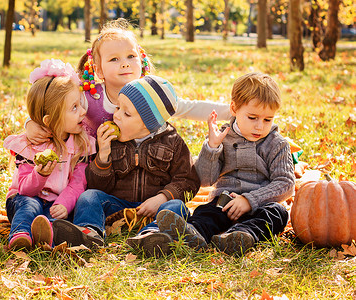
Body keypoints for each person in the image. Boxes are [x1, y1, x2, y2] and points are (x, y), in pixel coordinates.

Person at [51, 75, 200, 257]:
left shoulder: (173, 143)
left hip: (155, 208)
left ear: (149, 125)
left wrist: (162, 198)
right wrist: (103, 156)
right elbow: (98, 186)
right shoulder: (112, 141)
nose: (117, 115)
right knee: (89, 196)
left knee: (177, 206)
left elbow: (188, 181)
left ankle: (152, 235)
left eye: (126, 113)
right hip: (119, 207)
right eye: (118, 108)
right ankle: (89, 232)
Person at [25, 18, 231, 144]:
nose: (125, 64)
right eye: (114, 59)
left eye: (131, 56)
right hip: (94, 169)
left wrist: (232, 111)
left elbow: (188, 108)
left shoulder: (150, 94)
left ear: (141, 59)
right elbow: (55, 110)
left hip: (139, 170)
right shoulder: (89, 96)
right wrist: (30, 124)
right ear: (98, 69)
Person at [157, 72, 295, 255]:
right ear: (234, 109)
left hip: (260, 204)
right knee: (206, 212)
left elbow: (285, 183)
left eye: (267, 119)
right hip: (225, 202)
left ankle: (240, 236)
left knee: (278, 213)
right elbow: (205, 179)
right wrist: (212, 148)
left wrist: (249, 200)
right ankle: (194, 234)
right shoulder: (222, 138)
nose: (260, 126)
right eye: (252, 117)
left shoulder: (277, 144)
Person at [3, 59, 96, 250]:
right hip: (23, 200)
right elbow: (25, 190)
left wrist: (65, 203)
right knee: (30, 206)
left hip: (58, 201)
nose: (83, 112)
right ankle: (21, 235)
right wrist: (40, 174)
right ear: (50, 120)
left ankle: (47, 235)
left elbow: (78, 182)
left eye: (80, 104)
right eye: (74, 108)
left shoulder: (80, 144)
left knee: (57, 217)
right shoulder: (31, 146)